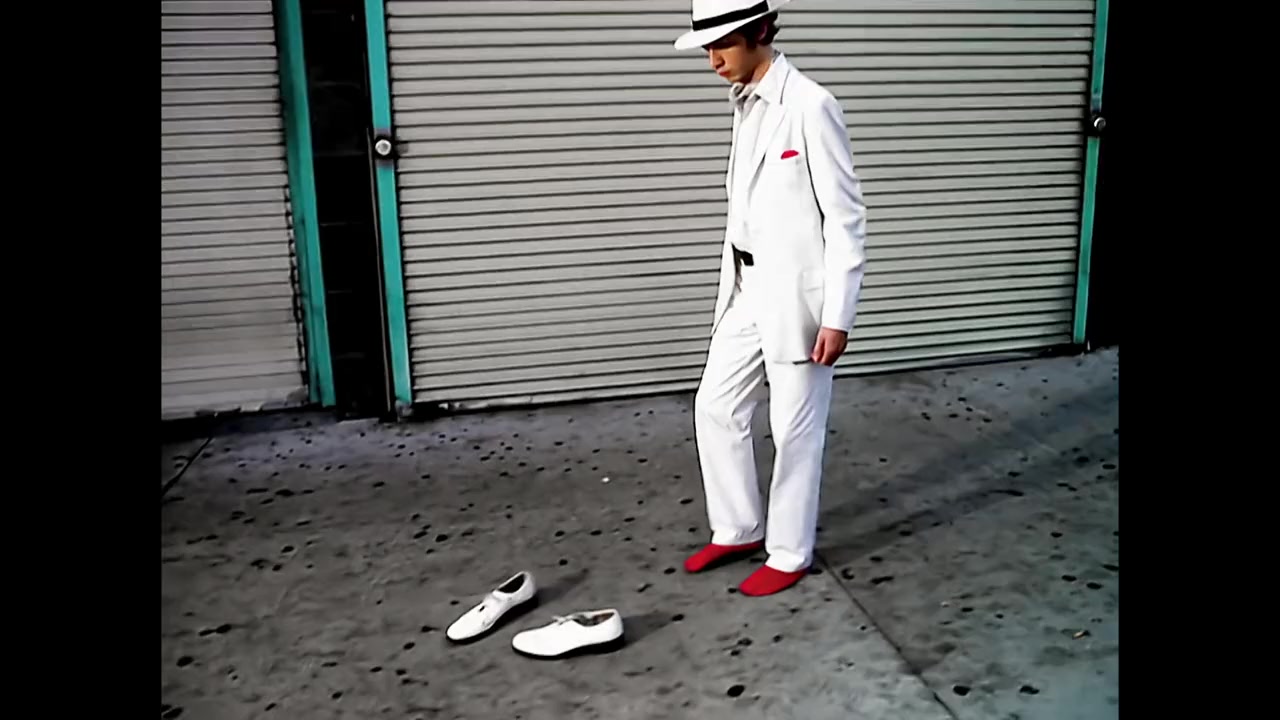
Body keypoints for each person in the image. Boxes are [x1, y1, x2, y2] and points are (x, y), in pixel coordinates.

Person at [673, 0, 868, 597]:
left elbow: (846, 219)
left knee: (794, 429)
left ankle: (789, 551)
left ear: (759, 31)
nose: (713, 60)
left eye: (721, 45)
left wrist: (838, 315)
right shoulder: (745, 103)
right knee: (715, 406)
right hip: (745, 290)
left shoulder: (811, 105)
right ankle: (738, 527)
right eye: (707, 48)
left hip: (799, 303)